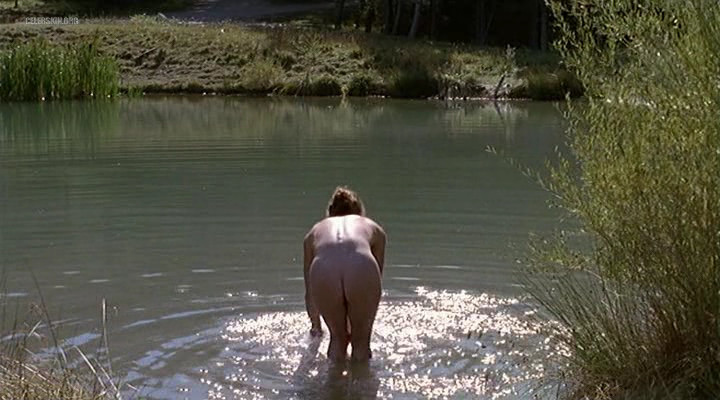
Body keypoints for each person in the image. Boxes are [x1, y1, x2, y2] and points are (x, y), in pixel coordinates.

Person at [303, 186, 386, 362]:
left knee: (337, 339)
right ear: (359, 212)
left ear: (330, 212)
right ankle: (363, 379)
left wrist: (316, 328)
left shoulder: (314, 232)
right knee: (361, 342)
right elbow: (376, 280)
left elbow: (310, 293)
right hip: (361, 264)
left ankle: (333, 379)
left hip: (324, 267)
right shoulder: (373, 227)